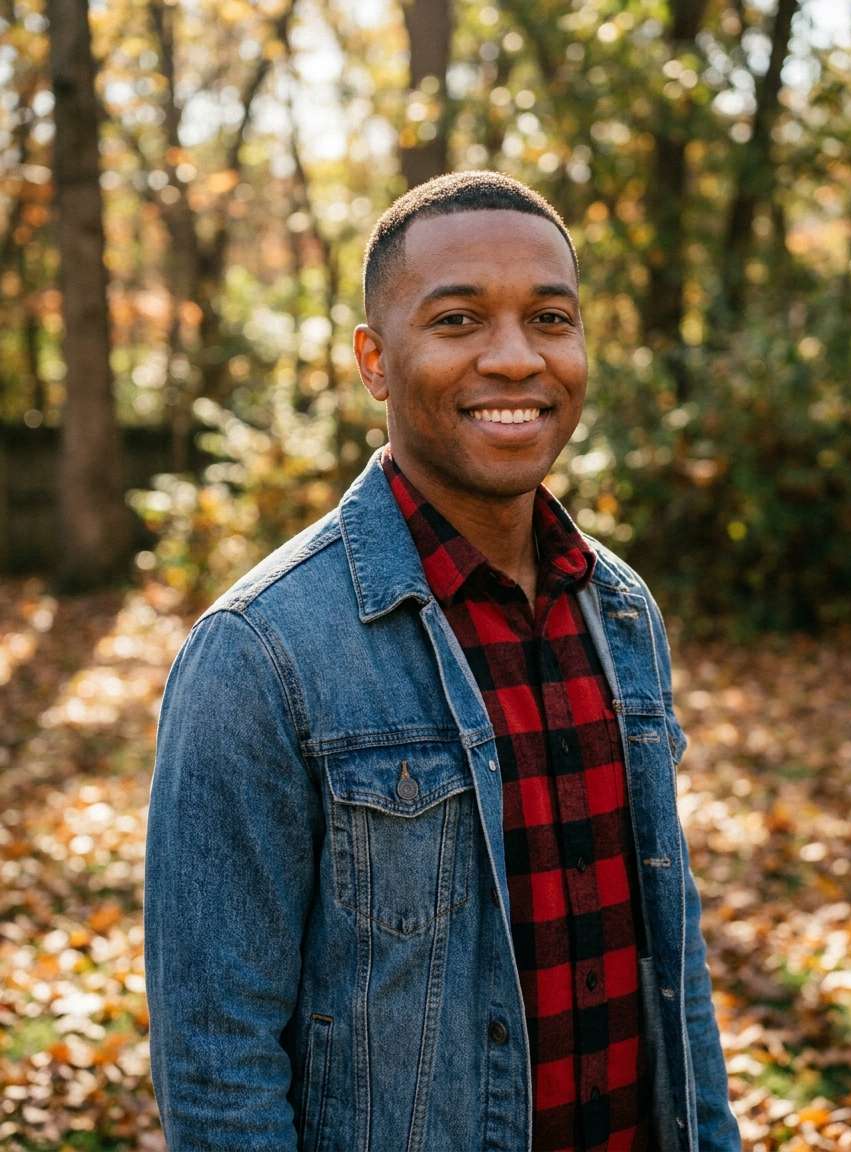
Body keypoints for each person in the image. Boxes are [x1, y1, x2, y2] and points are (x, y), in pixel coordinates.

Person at [144, 170, 741, 1152]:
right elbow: (216, 1065)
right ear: (375, 362)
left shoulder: (619, 610)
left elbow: (673, 972)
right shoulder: (260, 653)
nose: (516, 359)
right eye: (459, 320)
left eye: (549, 318)